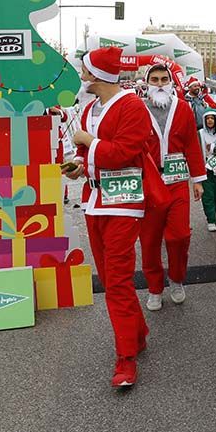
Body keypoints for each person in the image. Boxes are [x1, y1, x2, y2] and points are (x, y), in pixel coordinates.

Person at [66, 46, 157, 388]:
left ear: (98, 75)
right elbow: (85, 153)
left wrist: (88, 141)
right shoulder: (91, 108)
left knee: (117, 281)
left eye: (86, 71)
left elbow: (122, 153)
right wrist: (76, 166)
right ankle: (138, 333)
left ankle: (126, 359)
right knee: (109, 277)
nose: (83, 76)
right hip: (94, 200)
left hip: (123, 202)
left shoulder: (132, 106)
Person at [139, 60, 206, 311]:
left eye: (163, 80)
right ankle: (154, 287)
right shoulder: (138, 108)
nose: (159, 84)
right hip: (150, 183)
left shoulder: (183, 108)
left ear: (170, 82)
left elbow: (191, 144)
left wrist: (198, 180)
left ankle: (176, 278)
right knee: (149, 240)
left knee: (179, 235)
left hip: (178, 181)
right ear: (147, 83)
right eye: (154, 80)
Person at [199, 110, 216, 233]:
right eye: (207, 118)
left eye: (212, 118)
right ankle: (211, 220)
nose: (210, 120)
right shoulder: (199, 134)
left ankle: (213, 211)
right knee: (208, 195)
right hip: (204, 169)